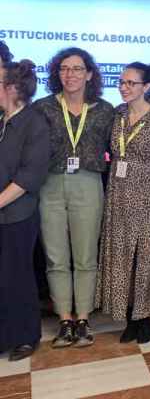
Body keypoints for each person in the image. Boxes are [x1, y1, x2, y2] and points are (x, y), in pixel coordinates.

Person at [34, 48, 114, 347]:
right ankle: (64, 319)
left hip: (88, 183)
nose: (70, 74)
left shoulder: (105, 110)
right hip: (50, 185)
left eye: (77, 69)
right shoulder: (42, 108)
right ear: (57, 73)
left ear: (89, 74)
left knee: (85, 256)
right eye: (64, 69)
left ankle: (83, 318)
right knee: (55, 257)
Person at [95, 63, 150, 344]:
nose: (124, 87)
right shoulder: (117, 114)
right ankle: (130, 316)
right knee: (121, 258)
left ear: (146, 87)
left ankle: (146, 319)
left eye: (131, 83)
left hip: (147, 196)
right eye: (121, 82)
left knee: (146, 259)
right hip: (117, 195)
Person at [0, 60, 50, 361]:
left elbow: (28, 178)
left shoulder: (34, 122)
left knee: (16, 276)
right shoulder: (3, 119)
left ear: (13, 89)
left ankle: (26, 336)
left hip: (17, 215)